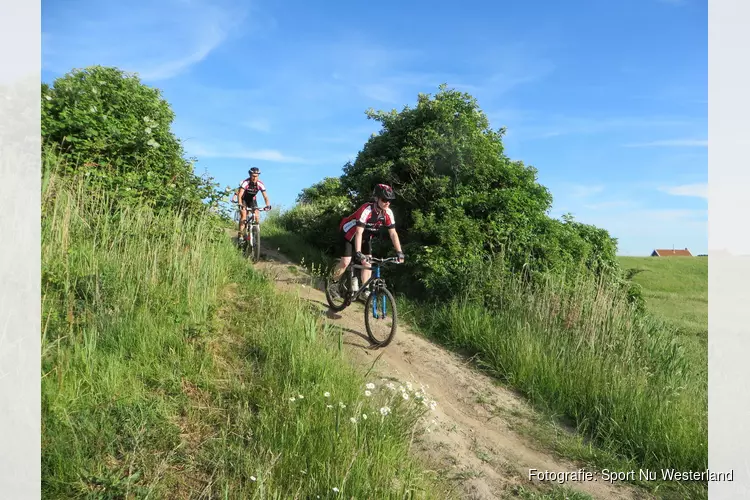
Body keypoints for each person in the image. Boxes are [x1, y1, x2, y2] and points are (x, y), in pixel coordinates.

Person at [332, 183, 405, 300]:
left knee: (367, 263)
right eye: (384, 199)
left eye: (390, 200)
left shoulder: (388, 213)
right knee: (346, 261)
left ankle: (364, 291)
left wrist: (399, 252)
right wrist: (358, 252)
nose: (387, 202)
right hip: (349, 233)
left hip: (365, 237)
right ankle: (333, 284)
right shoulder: (366, 209)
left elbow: (393, 233)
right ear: (376, 198)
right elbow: (359, 232)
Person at [232, 167, 271, 240]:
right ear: (250, 175)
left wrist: (267, 205)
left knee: (256, 215)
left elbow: (265, 196)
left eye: (257, 176)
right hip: (243, 199)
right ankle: (240, 235)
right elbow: (240, 195)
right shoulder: (246, 182)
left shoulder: (260, 184)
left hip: (252, 200)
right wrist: (240, 203)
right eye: (253, 176)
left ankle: (255, 233)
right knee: (243, 216)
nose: (255, 178)